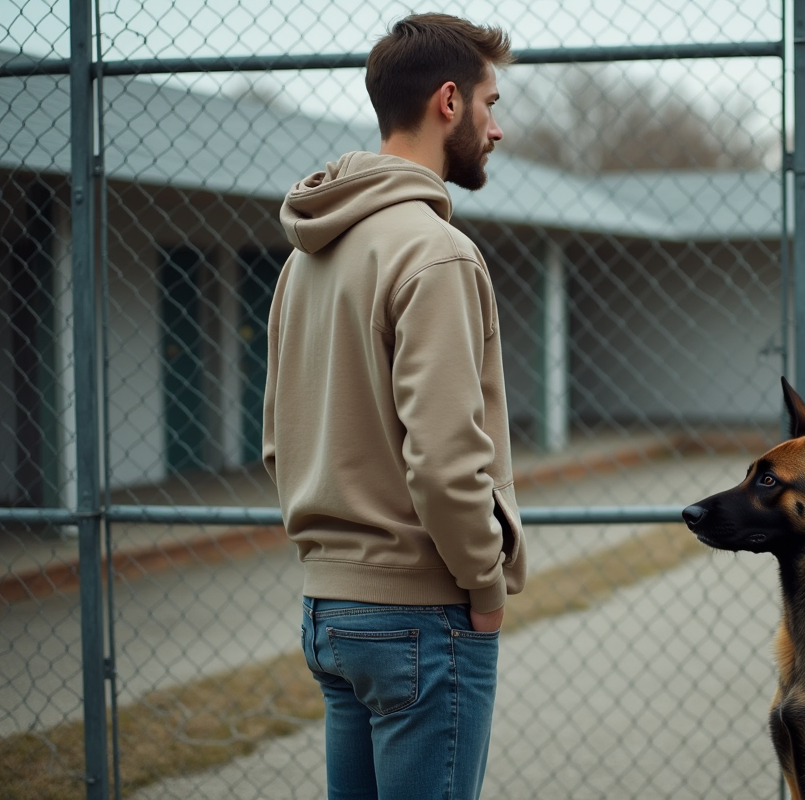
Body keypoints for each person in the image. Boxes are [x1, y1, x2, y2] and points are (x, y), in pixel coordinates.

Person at [262, 13, 526, 800]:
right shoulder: (435, 252)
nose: (498, 128)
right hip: (423, 616)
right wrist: (484, 588)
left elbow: (279, 442)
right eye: (490, 102)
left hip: (329, 614)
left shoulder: (306, 258)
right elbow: (445, 460)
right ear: (449, 101)